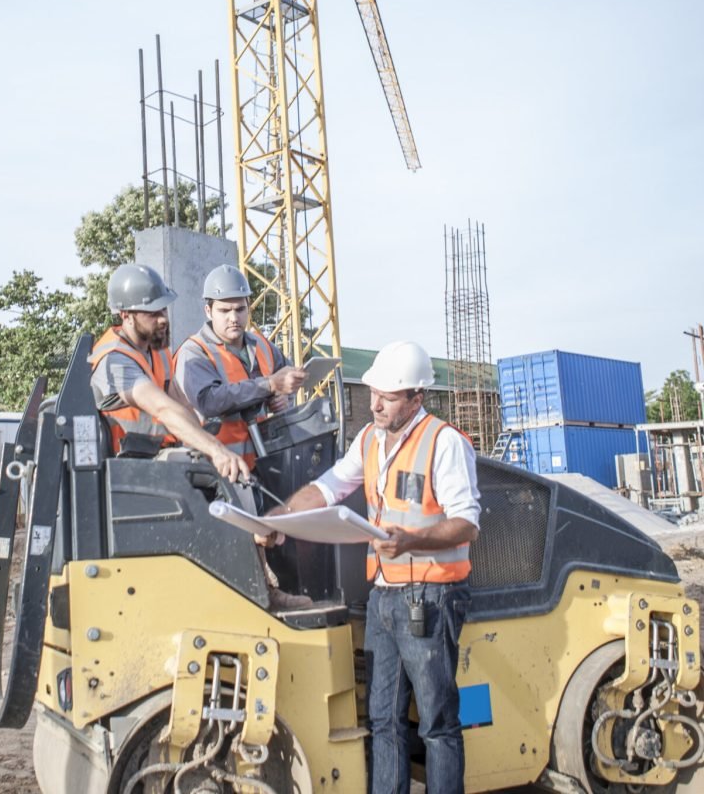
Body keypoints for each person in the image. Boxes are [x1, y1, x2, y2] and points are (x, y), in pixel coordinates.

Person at [261, 341, 480, 793]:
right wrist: (280, 518)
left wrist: (413, 540)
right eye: (375, 392)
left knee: (437, 723)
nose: (376, 403)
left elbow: (467, 524)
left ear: (416, 398)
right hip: (384, 596)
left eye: (389, 396)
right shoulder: (370, 440)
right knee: (383, 719)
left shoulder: (444, 442)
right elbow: (329, 487)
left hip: (431, 598)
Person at [89, 263, 251, 484]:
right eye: (153, 313)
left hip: (155, 458)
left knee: (223, 482)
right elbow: (162, 408)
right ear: (126, 315)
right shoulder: (114, 359)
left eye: (164, 309)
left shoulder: (158, 349)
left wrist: (204, 442)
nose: (163, 318)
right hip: (123, 470)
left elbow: (179, 403)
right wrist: (216, 450)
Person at [173, 263, 307, 469]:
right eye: (224, 310)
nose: (233, 318)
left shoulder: (263, 346)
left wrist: (282, 398)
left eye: (240, 309)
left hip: (262, 464)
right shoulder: (194, 352)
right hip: (214, 472)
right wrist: (269, 385)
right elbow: (210, 401)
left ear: (248, 306)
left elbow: (286, 380)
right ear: (208, 311)